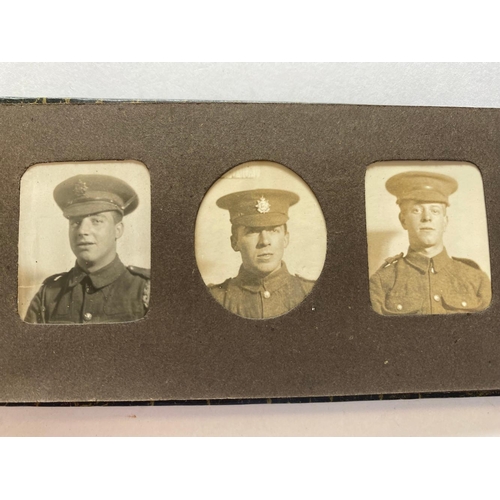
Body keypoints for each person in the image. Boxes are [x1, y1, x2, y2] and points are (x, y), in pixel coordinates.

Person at [24, 174, 150, 324]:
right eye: (75, 222)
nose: (82, 231)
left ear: (118, 230)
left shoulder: (144, 290)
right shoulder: (48, 295)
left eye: (96, 221)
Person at [369, 171, 491, 315]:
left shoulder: (476, 280)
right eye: (416, 210)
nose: (427, 217)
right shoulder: (382, 282)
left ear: (445, 221)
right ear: (403, 220)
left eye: (435, 211)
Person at [208, 189, 315, 319]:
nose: (264, 241)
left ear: (286, 238)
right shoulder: (217, 298)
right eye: (252, 231)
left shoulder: (309, 292)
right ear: (235, 242)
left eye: (273, 230)